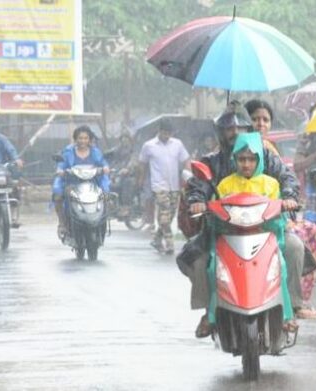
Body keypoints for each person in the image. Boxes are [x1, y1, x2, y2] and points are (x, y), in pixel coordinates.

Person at [185, 104, 303, 338]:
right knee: (198, 258)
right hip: (223, 231)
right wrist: (198, 201)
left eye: (241, 127)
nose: (235, 133)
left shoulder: (266, 156)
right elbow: (199, 186)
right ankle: (210, 310)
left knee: (294, 248)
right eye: (229, 128)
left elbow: (287, 179)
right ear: (220, 132)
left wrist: (289, 198)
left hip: (266, 229)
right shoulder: (213, 164)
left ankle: (292, 307)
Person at [139, 119, 190, 254]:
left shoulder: (177, 144)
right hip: (158, 185)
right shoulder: (149, 146)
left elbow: (186, 160)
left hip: (174, 185)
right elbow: (142, 164)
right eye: (164, 133)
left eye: (168, 133)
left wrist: (188, 176)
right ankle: (169, 243)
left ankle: (156, 239)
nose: (166, 136)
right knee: (164, 215)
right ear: (159, 131)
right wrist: (140, 181)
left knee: (170, 214)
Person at [52, 125, 110, 237]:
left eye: (85, 138)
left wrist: (106, 168)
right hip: (72, 183)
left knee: (106, 197)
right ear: (75, 139)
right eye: (80, 138)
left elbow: (103, 163)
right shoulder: (68, 152)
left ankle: (102, 221)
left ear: (89, 139)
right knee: (58, 196)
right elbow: (61, 164)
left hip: (94, 183)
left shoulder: (96, 152)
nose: (83, 141)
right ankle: (63, 223)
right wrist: (60, 170)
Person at [109, 132, 139, 218]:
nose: (124, 141)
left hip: (131, 175)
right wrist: (110, 169)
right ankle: (112, 206)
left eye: (126, 139)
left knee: (127, 183)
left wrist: (128, 169)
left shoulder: (133, 150)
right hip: (118, 173)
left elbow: (134, 160)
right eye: (122, 139)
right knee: (109, 184)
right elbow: (114, 161)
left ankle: (126, 206)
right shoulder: (118, 150)